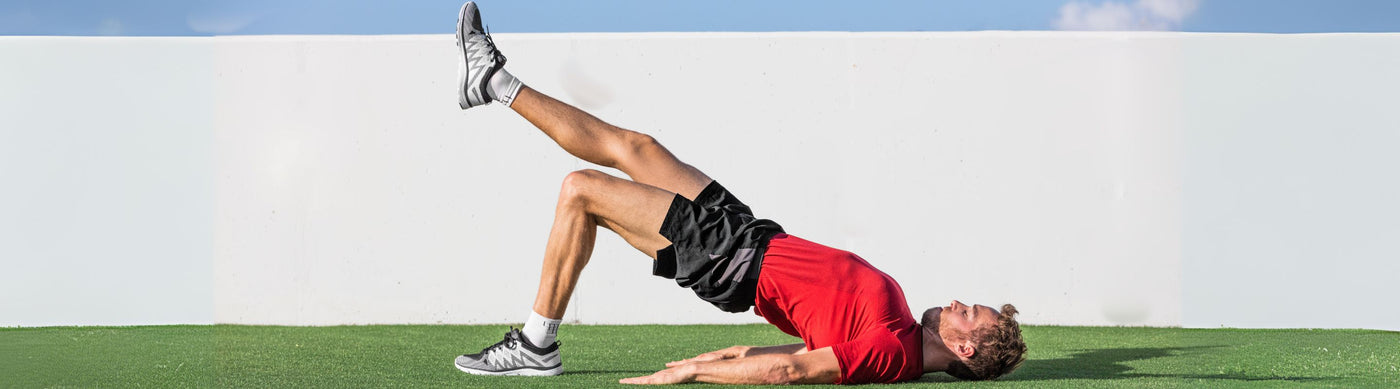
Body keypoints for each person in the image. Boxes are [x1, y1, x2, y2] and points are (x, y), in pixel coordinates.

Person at [448, 2, 1027, 384]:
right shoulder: (898, 326)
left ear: (967, 350)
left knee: (581, 192)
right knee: (636, 146)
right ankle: (493, 80)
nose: (957, 302)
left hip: (729, 259)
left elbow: (797, 373)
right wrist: (727, 357)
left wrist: (695, 375)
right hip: (748, 233)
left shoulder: (894, 354)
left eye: (967, 313)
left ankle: (536, 343)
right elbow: (791, 354)